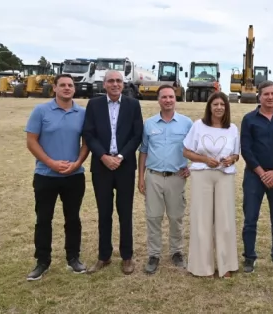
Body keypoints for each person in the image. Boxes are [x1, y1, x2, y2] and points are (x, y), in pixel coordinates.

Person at [24, 74, 90, 281]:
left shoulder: (83, 113)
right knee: (44, 219)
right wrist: (51, 163)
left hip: (74, 176)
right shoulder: (40, 111)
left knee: (73, 219)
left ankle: (73, 258)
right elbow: (32, 141)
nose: (67, 88)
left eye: (70, 85)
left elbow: (87, 143)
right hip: (45, 175)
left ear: (74, 89)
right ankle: (42, 261)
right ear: (55, 88)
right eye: (62, 85)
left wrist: (77, 163)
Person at [83, 70, 143, 275]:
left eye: (118, 80)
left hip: (124, 166)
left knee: (125, 213)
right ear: (104, 84)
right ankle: (104, 256)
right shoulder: (94, 104)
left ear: (123, 84)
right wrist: (103, 156)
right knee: (104, 212)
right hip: (101, 166)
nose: (115, 84)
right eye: (111, 81)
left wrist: (120, 157)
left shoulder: (133, 105)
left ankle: (127, 257)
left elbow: (137, 135)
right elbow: (88, 134)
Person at [183, 92, 240, 278]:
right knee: (202, 221)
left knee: (225, 221)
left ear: (226, 107)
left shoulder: (232, 128)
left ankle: (226, 266)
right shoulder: (198, 126)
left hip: (224, 176)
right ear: (209, 107)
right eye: (215, 104)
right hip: (202, 175)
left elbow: (236, 155)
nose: (219, 107)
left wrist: (230, 159)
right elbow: (186, 151)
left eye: (222, 104)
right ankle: (202, 267)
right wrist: (205, 159)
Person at [240, 80, 273, 273]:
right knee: (250, 218)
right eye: (266, 94)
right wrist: (262, 173)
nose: (270, 97)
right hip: (255, 176)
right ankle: (249, 257)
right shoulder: (249, 119)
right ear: (259, 96)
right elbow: (246, 149)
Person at [138, 85, 193, 274]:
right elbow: (143, 151)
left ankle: (177, 252)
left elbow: (195, 150)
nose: (168, 100)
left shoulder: (187, 124)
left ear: (175, 99)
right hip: (153, 176)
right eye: (164, 97)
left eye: (171, 97)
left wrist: (190, 167)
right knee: (153, 217)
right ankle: (154, 254)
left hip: (176, 178)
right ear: (158, 100)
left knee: (176, 217)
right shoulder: (149, 124)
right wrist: (141, 178)